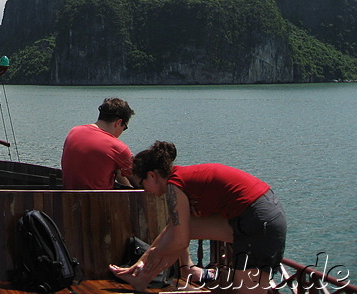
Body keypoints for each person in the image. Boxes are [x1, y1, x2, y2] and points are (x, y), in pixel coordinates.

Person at [109, 141, 286, 294]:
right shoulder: (180, 180)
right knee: (184, 228)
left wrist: (151, 257)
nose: (145, 190)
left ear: (152, 175)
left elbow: (179, 242)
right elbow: (174, 231)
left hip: (259, 221)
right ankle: (142, 280)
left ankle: (142, 277)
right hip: (258, 214)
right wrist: (139, 265)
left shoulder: (174, 186)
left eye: (142, 183)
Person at [61, 97, 134, 189]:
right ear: (118, 123)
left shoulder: (73, 132)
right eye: (124, 128)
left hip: (68, 198)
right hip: (99, 201)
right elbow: (139, 178)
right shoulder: (118, 148)